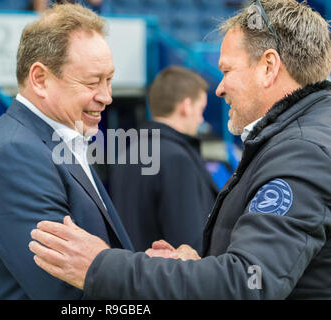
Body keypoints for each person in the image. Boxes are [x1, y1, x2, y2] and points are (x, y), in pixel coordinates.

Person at [29, 0, 331, 299]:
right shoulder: (297, 139)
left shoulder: (302, 151)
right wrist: (201, 264)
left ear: (269, 67)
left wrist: (100, 267)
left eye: (226, 70)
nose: (220, 87)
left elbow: (245, 284)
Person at [0, 3, 133, 300]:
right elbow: (68, 296)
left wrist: (150, 267)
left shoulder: (52, 140)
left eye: (109, 80)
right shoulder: (14, 156)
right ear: (40, 79)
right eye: (92, 82)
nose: (106, 96)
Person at [109, 66, 218, 253]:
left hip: (130, 274)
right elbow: (190, 244)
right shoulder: (177, 159)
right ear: (185, 106)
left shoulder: (129, 153)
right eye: (201, 109)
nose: (201, 120)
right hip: (167, 278)